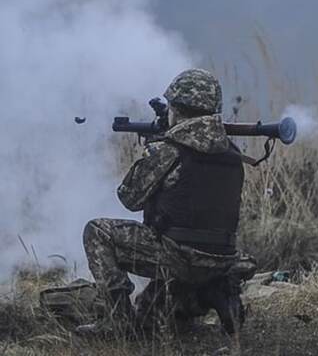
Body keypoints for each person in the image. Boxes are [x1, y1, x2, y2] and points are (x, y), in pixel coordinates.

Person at [76, 68, 256, 336]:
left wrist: (151, 153)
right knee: (150, 317)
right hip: (222, 259)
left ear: (177, 109)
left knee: (97, 231)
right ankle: (213, 295)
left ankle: (118, 323)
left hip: (179, 257)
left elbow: (129, 198)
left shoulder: (168, 149)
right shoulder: (230, 151)